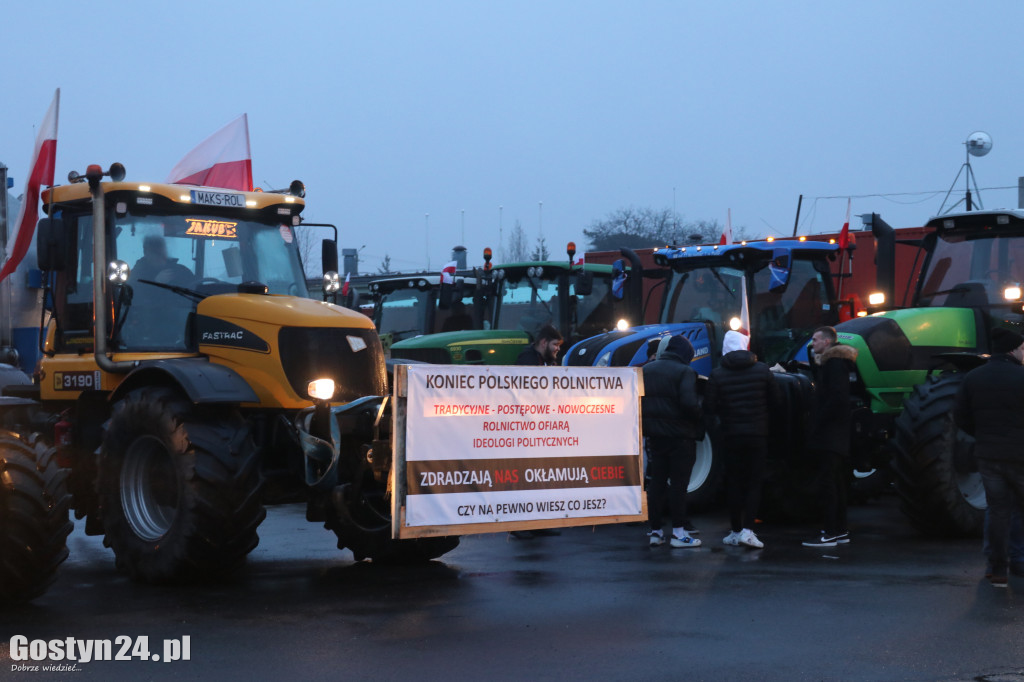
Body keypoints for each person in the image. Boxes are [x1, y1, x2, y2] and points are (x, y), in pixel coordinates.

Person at [954, 326, 1024, 587]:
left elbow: (961, 416)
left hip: (988, 455)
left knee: (997, 510)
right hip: (1020, 455)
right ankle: (1018, 559)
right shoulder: (1021, 377)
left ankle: (996, 568)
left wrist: (982, 434)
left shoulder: (973, 377)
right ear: (1012, 350)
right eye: (1023, 348)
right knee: (1018, 510)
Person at [705, 330, 780, 549]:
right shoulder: (762, 370)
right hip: (757, 434)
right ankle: (748, 530)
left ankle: (735, 530)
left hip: (731, 435)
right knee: (755, 482)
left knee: (734, 482)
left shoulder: (717, 374)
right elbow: (776, 401)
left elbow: (709, 407)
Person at [642, 334, 703, 548]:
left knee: (656, 484)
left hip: (655, 437)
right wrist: (699, 416)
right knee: (678, 485)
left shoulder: (646, 370)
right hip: (680, 437)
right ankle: (678, 533)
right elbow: (688, 403)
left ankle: (655, 532)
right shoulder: (685, 372)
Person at [802, 326, 858, 548]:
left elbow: (835, 398)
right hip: (838, 434)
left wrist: (817, 423)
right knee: (837, 482)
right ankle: (840, 530)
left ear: (827, 342)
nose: (812, 344)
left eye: (815, 340)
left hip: (830, 435)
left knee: (829, 484)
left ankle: (829, 532)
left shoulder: (833, 364)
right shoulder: (838, 364)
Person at [509, 323, 564, 539]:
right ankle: (519, 525)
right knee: (526, 478)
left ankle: (540, 521)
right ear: (543, 343)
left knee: (540, 478)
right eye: (555, 345)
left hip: (538, 429)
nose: (557, 349)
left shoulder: (543, 361)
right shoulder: (527, 360)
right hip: (526, 430)